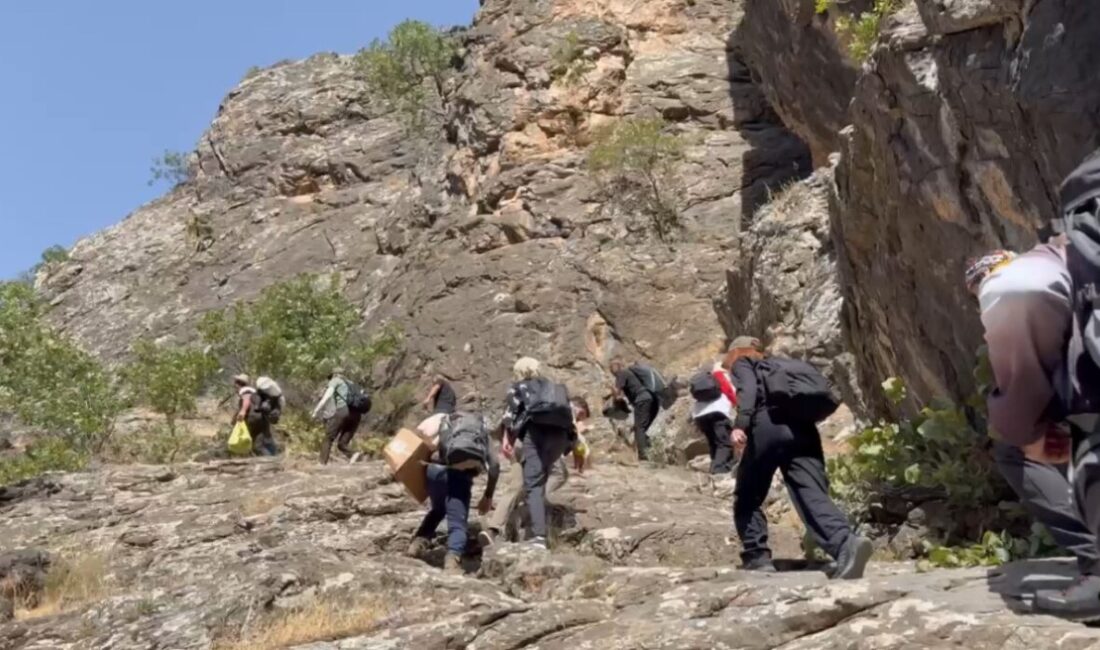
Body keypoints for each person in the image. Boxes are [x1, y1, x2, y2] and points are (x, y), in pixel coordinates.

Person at [965, 245, 1100, 615]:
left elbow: (1019, 401)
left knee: (1017, 447)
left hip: (1032, 296)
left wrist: (1029, 434)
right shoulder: (1066, 250)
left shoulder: (1007, 283)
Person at [728, 341, 872, 579]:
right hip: (803, 429)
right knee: (811, 493)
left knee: (748, 495)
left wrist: (740, 425)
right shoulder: (787, 365)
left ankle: (757, 557)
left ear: (737, 352)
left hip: (768, 425)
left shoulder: (744, 362)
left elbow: (749, 391)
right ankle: (846, 544)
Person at [479, 393, 589, 548]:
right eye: (581, 415)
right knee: (559, 473)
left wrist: (506, 439)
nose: (579, 419)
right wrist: (577, 433)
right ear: (579, 408)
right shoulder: (566, 409)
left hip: (518, 443)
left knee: (516, 487)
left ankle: (493, 530)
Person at [494, 357, 574, 550]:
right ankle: (534, 525)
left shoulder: (519, 387)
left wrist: (508, 440)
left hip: (536, 433)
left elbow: (510, 417)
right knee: (542, 477)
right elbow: (568, 415)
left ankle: (538, 536)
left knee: (533, 484)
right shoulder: (553, 388)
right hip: (560, 437)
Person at [406, 412, 500, 574]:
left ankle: (417, 544)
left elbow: (420, 439)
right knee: (457, 522)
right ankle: (452, 561)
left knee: (438, 510)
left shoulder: (445, 423)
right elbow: (495, 466)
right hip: (459, 476)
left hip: (434, 471)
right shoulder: (481, 433)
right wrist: (488, 495)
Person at [690, 359, 738, 474]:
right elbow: (730, 392)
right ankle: (718, 471)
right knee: (724, 444)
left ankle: (716, 466)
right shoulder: (720, 376)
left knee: (713, 443)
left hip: (700, 414)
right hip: (717, 412)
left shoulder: (703, 381)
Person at [610, 358, 660, 461]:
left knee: (639, 428)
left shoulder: (621, 373)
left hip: (642, 400)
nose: (610, 370)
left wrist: (611, 390)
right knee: (642, 427)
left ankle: (643, 456)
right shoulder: (628, 374)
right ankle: (650, 450)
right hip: (651, 399)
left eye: (611, 367)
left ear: (617, 366)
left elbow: (617, 393)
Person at [311, 368, 362, 465]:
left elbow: (327, 397)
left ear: (335, 374)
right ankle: (353, 454)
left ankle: (321, 463)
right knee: (342, 444)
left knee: (328, 438)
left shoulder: (335, 381)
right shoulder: (351, 383)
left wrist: (316, 411)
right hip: (356, 415)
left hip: (343, 411)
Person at [233, 374, 276, 456]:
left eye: (235, 383)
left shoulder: (245, 391)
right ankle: (272, 460)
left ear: (237, 384)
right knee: (260, 444)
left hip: (253, 419)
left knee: (251, 444)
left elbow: (246, 399)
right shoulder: (255, 393)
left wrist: (243, 411)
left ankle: (268, 462)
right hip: (263, 419)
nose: (234, 386)